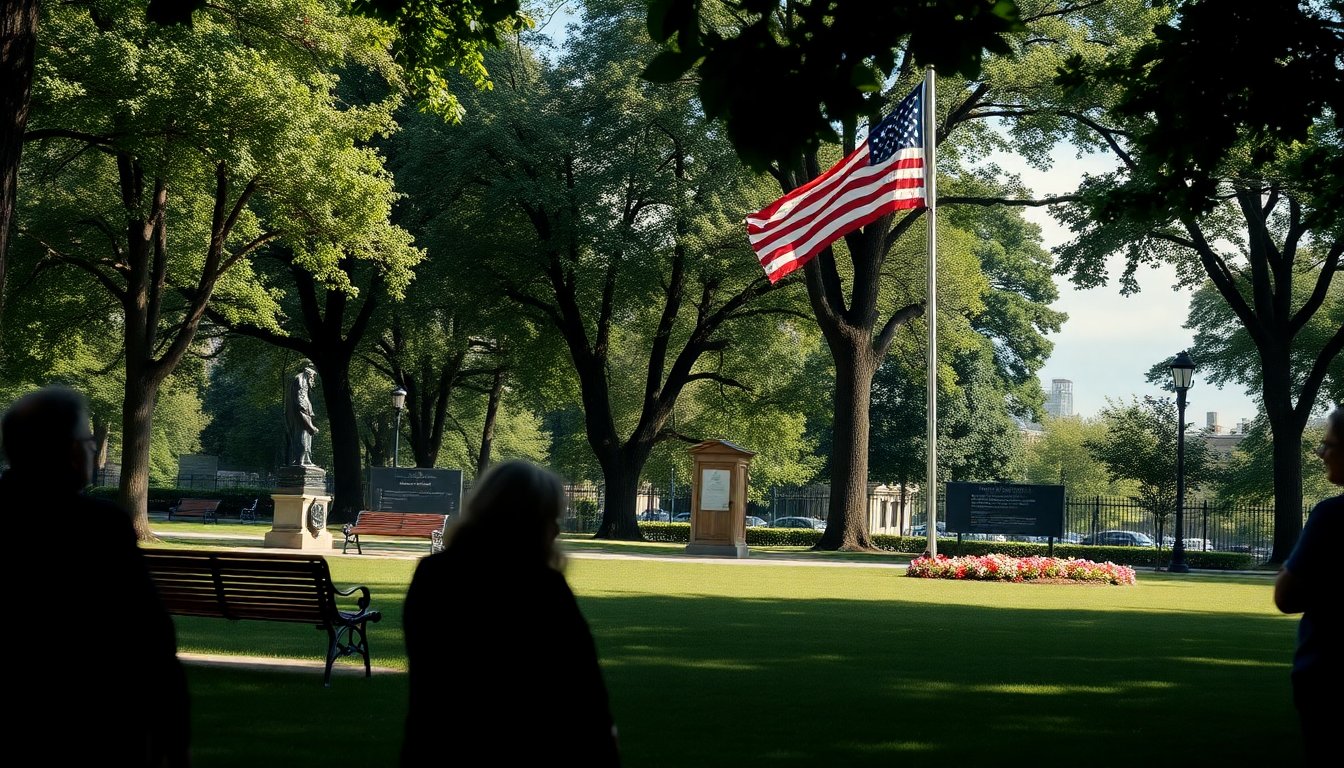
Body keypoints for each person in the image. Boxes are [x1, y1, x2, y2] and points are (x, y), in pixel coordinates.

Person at [0, 386, 190, 766]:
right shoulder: (100, 527)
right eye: (89, 441)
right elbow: (151, 638)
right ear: (71, 451)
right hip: (92, 721)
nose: (94, 451)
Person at [400, 460, 620, 767]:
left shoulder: (432, 575)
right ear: (527, 519)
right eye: (550, 517)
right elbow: (585, 689)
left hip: (436, 746)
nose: (556, 529)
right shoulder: (542, 588)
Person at [1274, 405, 1343, 763]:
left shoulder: (1333, 516)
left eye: (1329, 445)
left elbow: (1286, 596)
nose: (1322, 454)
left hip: (1330, 675)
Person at [283, 362, 319, 466]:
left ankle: (305, 460)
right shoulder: (301, 380)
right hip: (301, 416)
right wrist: (311, 426)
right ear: (308, 373)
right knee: (303, 435)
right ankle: (301, 460)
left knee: (304, 435)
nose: (313, 379)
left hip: (298, 416)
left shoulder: (297, 379)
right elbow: (301, 406)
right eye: (313, 376)